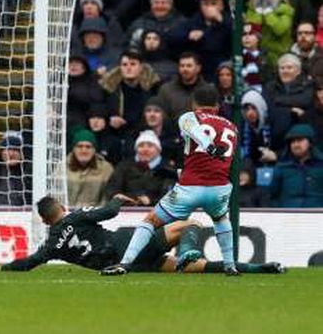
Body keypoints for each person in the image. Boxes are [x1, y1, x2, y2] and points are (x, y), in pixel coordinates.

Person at [102, 86, 241, 276]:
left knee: (151, 221)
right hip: (218, 187)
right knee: (221, 219)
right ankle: (230, 265)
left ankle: (124, 264)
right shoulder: (231, 126)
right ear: (217, 105)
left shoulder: (190, 117)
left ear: (193, 103)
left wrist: (208, 145)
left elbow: (196, 131)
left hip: (190, 187)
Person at [0, 195, 283, 275]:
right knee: (190, 225)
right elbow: (108, 213)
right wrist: (116, 198)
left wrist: (2, 267)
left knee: (200, 270)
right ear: (61, 207)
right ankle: (190, 250)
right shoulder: (76, 216)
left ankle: (262, 268)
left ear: (45, 220)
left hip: (123, 266)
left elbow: (31, 262)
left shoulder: (51, 245)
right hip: (126, 245)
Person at [105, 130, 176, 206]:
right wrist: (118, 197)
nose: (145, 149)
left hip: (157, 211)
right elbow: (112, 189)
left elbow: (170, 196)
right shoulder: (124, 166)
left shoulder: (168, 169)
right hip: (126, 210)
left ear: (158, 150)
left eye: (150, 145)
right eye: (141, 145)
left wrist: (150, 201)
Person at [268, 124, 323, 207]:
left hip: (317, 215)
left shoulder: (321, 166)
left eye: (300, 140)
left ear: (310, 143)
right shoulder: (282, 167)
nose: (296, 145)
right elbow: (272, 196)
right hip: (287, 215)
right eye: (293, 141)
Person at [156, 52, 215, 122]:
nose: (185, 69)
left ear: (198, 68)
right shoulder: (166, 90)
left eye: (189, 66)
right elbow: (161, 115)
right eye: (182, 66)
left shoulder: (208, 90)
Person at [66, 129, 114, 207]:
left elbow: (107, 198)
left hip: (96, 216)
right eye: (79, 146)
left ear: (94, 150)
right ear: (73, 149)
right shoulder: (62, 168)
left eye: (88, 147)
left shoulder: (106, 169)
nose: (84, 150)